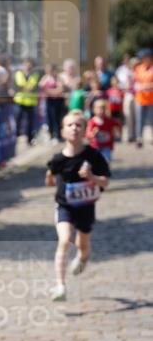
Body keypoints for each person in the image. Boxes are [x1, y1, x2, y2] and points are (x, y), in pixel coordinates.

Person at [45, 110, 111, 302]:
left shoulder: (93, 156)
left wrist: (91, 177)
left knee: (83, 245)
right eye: (70, 125)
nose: (74, 128)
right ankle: (60, 286)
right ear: (63, 131)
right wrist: (50, 176)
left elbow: (105, 182)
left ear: (85, 130)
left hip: (86, 207)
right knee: (65, 240)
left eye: (78, 125)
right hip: (64, 206)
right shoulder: (57, 159)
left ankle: (82, 257)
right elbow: (49, 182)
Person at [13, 58, 40, 145]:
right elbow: (18, 86)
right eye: (26, 65)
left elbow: (34, 87)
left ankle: (30, 139)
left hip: (30, 102)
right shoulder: (18, 73)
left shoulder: (35, 75)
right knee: (17, 120)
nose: (28, 67)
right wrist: (27, 88)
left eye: (29, 65)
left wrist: (25, 88)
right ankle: (15, 138)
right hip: (20, 101)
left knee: (30, 122)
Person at [87, 97, 119, 166]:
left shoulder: (109, 120)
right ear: (94, 109)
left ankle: (104, 171)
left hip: (106, 146)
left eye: (103, 108)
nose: (101, 110)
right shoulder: (92, 122)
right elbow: (88, 134)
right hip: (95, 146)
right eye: (99, 108)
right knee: (94, 163)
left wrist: (117, 132)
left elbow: (117, 125)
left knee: (106, 162)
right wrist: (93, 133)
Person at [39, 63, 65, 142]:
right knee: (49, 118)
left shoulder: (58, 78)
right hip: (49, 100)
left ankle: (58, 135)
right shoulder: (45, 78)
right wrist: (51, 92)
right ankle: (51, 134)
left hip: (58, 101)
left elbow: (60, 89)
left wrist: (50, 92)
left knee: (57, 118)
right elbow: (41, 86)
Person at [133, 48, 153, 148]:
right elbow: (135, 82)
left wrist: (146, 86)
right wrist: (139, 86)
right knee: (139, 120)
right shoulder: (138, 68)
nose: (142, 60)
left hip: (151, 99)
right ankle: (139, 138)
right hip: (140, 98)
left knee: (151, 120)